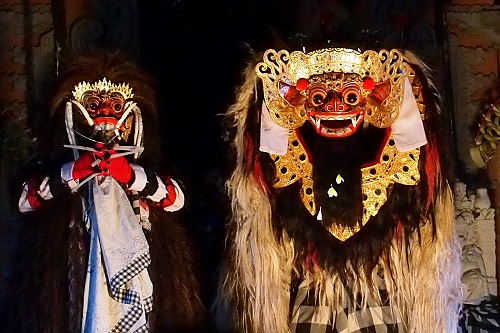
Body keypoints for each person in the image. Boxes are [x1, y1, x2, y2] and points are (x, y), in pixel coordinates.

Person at [217, 47, 462, 332]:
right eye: (320, 97)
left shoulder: (401, 169)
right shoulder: (277, 161)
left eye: (349, 97)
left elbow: (421, 201)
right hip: (311, 288)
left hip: (379, 287)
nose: (334, 107)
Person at [17, 53, 204, 333]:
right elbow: (25, 201)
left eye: (115, 108)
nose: (105, 116)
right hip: (76, 267)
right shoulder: (55, 166)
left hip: (139, 266)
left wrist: (128, 174)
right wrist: (73, 172)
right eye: (94, 106)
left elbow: (176, 199)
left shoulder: (147, 167)